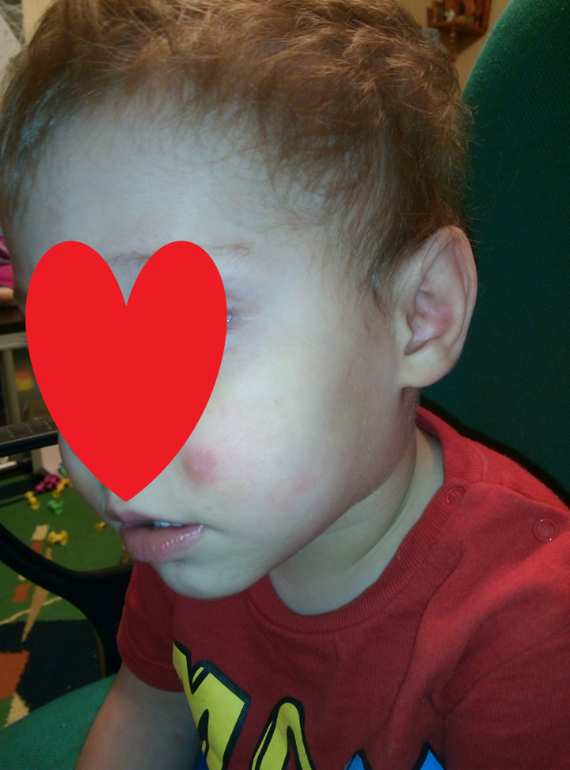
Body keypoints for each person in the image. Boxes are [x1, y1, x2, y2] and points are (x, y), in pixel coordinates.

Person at [0, 1, 569, 768]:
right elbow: (149, 705)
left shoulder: (530, 634)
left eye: (191, 331)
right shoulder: (186, 529)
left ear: (420, 315)